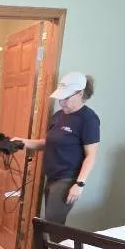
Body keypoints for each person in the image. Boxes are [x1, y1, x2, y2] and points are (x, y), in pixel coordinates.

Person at [17, 72, 100, 225]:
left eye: (66, 98)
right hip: (51, 177)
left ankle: (55, 243)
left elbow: (91, 156)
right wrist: (22, 142)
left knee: (52, 225)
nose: (62, 103)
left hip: (67, 179)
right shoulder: (58, 116)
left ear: (80, 93)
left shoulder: (88, 119)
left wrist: (79, 184)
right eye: (60, 98)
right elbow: (47, 142)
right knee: (51, 225)